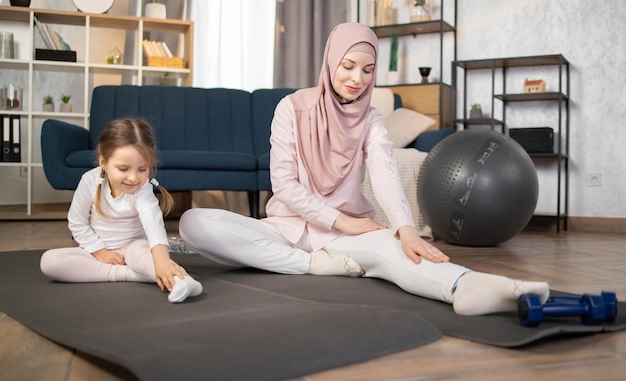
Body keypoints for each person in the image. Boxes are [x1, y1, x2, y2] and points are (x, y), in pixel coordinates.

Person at [179, 22, 549, 315]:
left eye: (368, 70)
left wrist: (405, 228)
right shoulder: (291, 107)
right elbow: (285, 184)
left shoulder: (371, 118)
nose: (357, 78)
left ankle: (466, 287)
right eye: (349, 66)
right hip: (287, 227)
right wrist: (338, 222)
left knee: (393, 252)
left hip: (348, 235)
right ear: (331, 62)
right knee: (194, 223)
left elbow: (385, 172)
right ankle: (311, 265)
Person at [40, 118, 203, 303]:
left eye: (142, 169)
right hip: (97, 253)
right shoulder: (89, 181)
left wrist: (162, 261)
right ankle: (128, 274)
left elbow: (154, 225)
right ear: (104, 162)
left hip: (133, 248)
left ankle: (182, 281)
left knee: (151, 259)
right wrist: (101, 253)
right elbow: (77, 222)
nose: (133, 178)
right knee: (49, 262)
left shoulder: (143, 189)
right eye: (123, 168)